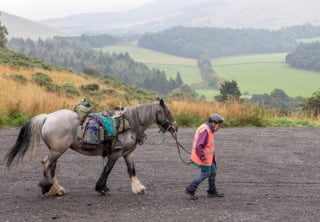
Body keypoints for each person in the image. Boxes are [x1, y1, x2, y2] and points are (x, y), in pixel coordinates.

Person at [185, 114, 224, 200]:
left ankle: (211, 191)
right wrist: (203, 158)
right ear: (213, 123)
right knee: (205, 173)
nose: (220, 127)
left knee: (213, 172)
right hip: (204, 158)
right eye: (219, 125)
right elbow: (199, 146)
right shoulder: (206, 130)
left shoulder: (208, 129)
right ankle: (190, 189)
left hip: (209, 158)